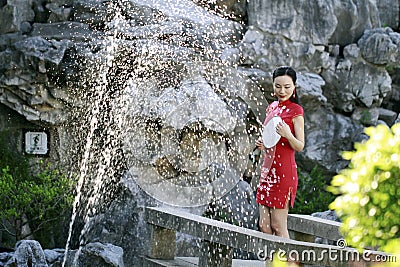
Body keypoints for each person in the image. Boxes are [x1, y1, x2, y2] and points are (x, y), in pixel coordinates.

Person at [255, 66, 305, 238]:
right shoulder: (272, 108)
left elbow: (300, 145)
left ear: (294, 87)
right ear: (273, 86)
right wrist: (263, 143)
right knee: (264, 225)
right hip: (267, 171)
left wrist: (288, 135)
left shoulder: (296, 111)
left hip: (284, 172)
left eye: (287, 86)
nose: (282, 90)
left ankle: (290, 264)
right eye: (278, 86)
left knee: (278, 224)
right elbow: (270, 139)